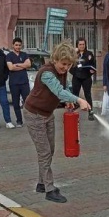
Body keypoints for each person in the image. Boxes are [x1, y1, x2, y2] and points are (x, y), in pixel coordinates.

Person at [23, 41, 91, 203]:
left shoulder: (62, 72)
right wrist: (79, 100)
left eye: (68, 65)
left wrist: (69, 100)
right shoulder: (47, 73)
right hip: (34, 114)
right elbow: (58, 91)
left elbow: (65, 88)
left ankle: (41, 183)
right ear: (55, 60)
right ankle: (49, 189)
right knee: (44, 151)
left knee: (50, 150)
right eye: (63, 64)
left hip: (47, 114)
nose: (66, 68)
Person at [69, 37, 96, 121]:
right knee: (74, 94)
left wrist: (92, 71)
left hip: (86, 77)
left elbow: (94, 65)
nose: (82, 46)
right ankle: (73, 109)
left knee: (88, 95)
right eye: (80, 44)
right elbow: (69, 63)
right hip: (76, 77)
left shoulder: (89, 54)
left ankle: (90, 112)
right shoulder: (74, 54)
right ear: (77, 45)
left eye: (83, 44)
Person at [6, 37, 31, 127]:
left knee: (27, 102)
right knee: (16, 103)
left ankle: (30, 120)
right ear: (13, 45)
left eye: (19, 45)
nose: (18, 47)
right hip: (14, 83)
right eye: (16, 45)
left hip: (24, 82)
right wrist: (23, 66)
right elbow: (10, 67)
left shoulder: (24, 54)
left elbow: (28, 64)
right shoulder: (9, 55)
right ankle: (19, 121)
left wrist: (17, 64)